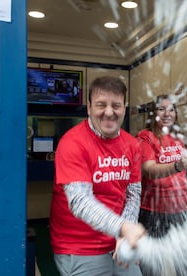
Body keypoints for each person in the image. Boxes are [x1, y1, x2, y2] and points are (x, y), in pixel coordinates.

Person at [49, 76, 146, 276]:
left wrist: (123, 235)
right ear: (89, 107)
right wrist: (123, 228)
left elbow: (132, 193)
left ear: (124, 109)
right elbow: (80, 201)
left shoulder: (132, 145)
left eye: (116, 106)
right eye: (101, 105)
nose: (109, 112)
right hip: (79, 247)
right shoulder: (72, 143)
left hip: (118, 241)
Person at [136, 94, 187, 275]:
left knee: (184, 263)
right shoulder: (146, 137)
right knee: (153, 266)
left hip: (180, 209)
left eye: (171, 109)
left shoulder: (178, 138)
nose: (167, 113)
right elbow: (149, 169)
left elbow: (186, 170)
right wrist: (176, 166)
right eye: (161, 109)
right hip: (154, 212)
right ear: (153, 112)